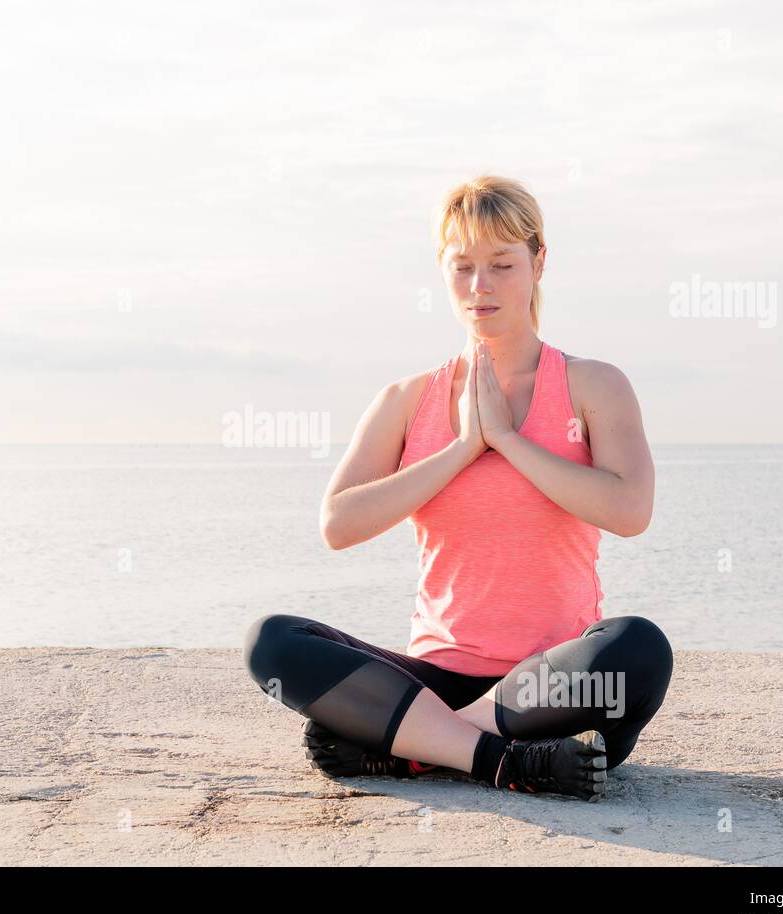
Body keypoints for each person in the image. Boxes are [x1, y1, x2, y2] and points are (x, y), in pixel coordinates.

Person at [243, 175, 673, 801]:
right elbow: (338, 524)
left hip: (551, 691)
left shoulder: (593, 385)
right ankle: (505, 762)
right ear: (441, 271)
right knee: (273, 640)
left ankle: (423, 748)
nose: (481, 286)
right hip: (431, 682)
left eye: (502, 264)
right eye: (463, 266)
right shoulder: (406, 400)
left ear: (539, 262)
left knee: (639, 648)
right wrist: (462, 447)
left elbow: (630, 511)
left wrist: (508, 439)